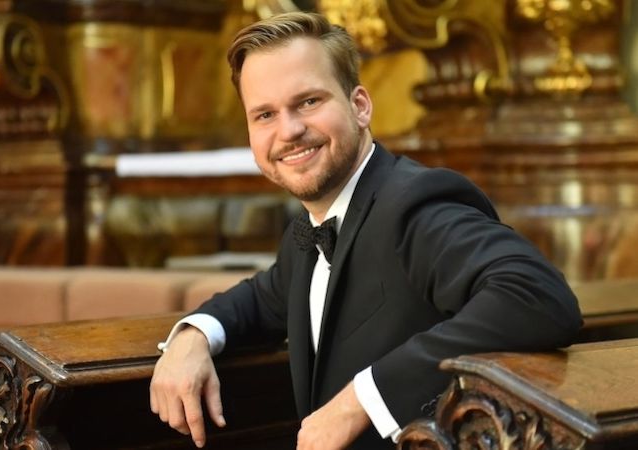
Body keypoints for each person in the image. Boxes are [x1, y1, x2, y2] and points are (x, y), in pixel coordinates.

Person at [149, 11, 582, 450]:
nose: (289, 130)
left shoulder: (414, 205)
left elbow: (535, 296)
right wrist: (192, 336)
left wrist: (362, 400)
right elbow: (260, 299)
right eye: (265, 114)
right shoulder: (308, 233)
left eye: (308, 102)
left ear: (359, 106)